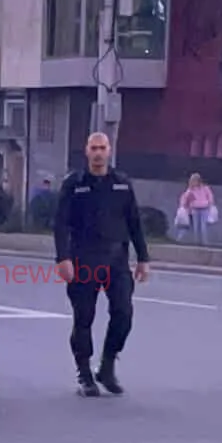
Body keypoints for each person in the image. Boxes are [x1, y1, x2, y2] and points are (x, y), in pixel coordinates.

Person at [53, 132, 151, 397]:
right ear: (87, 151)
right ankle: (84, 373)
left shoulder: (122, 183)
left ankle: (107, 365)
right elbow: (61, 223)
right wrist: (62, 258)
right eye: (94, 148)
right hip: (83, 258)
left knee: (124, 313)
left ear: (109, 151)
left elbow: (134, 222)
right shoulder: (74, 184)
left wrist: (143, 258)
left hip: (116, 259)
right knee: (84, 317)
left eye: (102, 148)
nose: (98, 153)